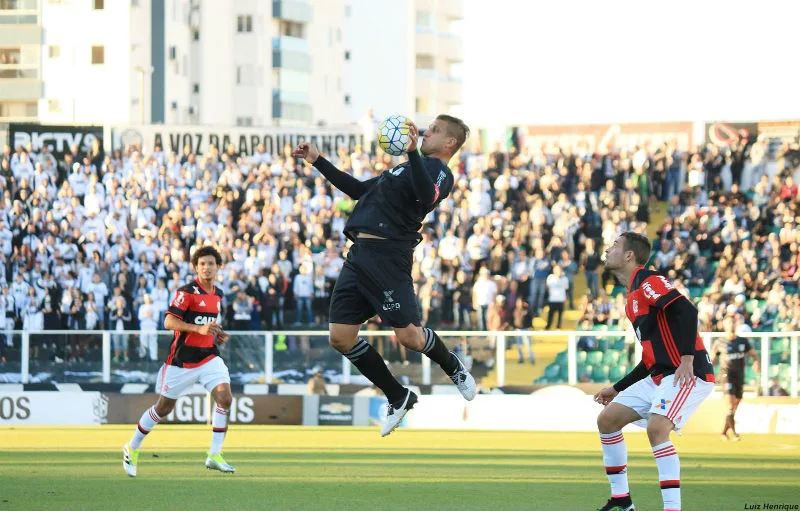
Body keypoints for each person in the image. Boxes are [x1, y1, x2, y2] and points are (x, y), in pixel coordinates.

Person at [292, 114, 476, 437]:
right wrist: (317, 160)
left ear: (449, 143)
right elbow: (359, 190)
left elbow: (427, 196)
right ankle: (398, 395)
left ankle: (454, 367)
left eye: (433, 130)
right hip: (359, 255)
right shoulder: (402, 168)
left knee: (411, 338)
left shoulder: (439, 172)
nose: (425, 132)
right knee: (340, 337)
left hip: (390, 257)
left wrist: (412, 153)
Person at [593, 232, 715, 511]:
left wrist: (686, 358)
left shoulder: (648, 280)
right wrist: (617, 388)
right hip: (661, 375)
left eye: (614, 246)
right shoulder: (630, 298)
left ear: (628, 255)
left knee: (657, 428)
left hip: (689, 373)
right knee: (608, 420)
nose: (608, 249)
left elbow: (687, 310)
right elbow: (650, 359)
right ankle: (622, 500)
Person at [123, 246, 234, 477]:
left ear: (218, 267)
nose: (206, 268)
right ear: (196, 267)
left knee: (225, 398)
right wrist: (199, 328)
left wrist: (216, 333)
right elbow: (169, 322)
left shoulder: (218, 294)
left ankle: (214, 455)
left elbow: (208, 324)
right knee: (163, 408)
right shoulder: (186, 292)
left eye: (211, 263)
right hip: (181, 361)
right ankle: (132, 447)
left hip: (209, 357)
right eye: (202, 264)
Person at [710, 319, 759, 441]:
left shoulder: (742, 341)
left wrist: (757, 362)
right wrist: (709, 374)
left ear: (736, 325)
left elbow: (753, 354)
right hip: (726, 375)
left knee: (734, 406)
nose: (731, 325)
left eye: (733, 323)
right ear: (724, 325)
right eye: (728, 323)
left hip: (739, 376)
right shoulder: (719, 342)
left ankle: (723, 432)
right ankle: (735, 433)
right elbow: (712, 360)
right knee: (731, 404)